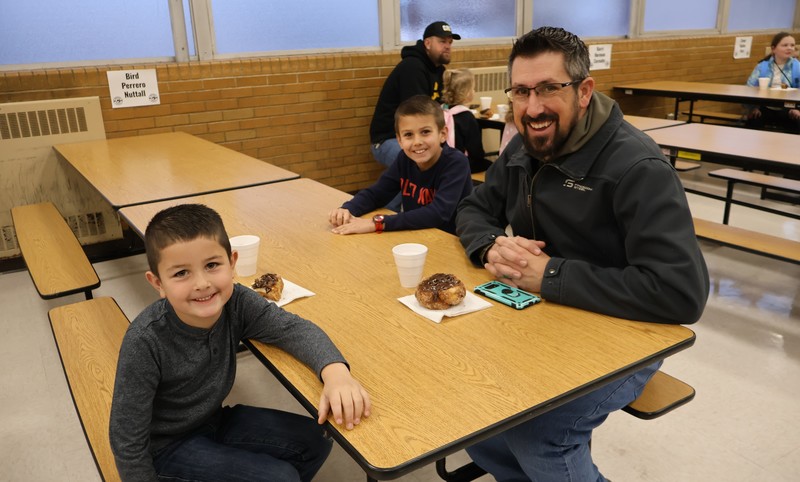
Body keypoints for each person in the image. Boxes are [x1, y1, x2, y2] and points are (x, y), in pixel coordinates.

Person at [455, 27, 709, 482]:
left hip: (628, 335)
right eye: (521, 92)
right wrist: (491, 244)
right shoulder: (523, 147)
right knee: (471, 405)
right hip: (543, 319)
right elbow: (474, 208)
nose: (533, 108)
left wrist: (549, 275)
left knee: (540, 434)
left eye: (549, 88)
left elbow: (681, 293)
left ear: (584, 91)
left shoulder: (638, 167)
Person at [109, 204, 371, 482]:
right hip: (165, 448)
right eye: (181, 273)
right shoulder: (145, 340)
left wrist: (336, 373)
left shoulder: (237, 302)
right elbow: (127, 440)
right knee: (279, 477)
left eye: (212, 265)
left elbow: (292, 328)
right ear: (158, 283)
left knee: (317, 439)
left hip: (213, 420)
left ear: (232, 263)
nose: (202, 283)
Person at [330, 95, 472, 235]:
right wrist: (347, 209)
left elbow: (438, 213)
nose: (417, 142)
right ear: (399, 140)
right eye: (408, 134)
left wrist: (377, 223)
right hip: (417, 235)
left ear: (443, 134)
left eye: (425, 132)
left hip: (451, 240)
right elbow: (376, 194)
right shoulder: (404, 159)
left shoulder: (456, 163)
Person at [369, 21, 461, 211]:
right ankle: (388, 216)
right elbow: (417, 116)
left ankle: (425, 213)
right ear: (427, 43)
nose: (447, 46)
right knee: (413, 162)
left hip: (414, 134)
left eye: (450, 42)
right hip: (387, 139)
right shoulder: (413, 67)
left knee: (437, 158)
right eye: (442, 41)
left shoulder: (438, 70)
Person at [745, 32, 800, 133]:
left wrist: (797, 109)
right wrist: (753, 108)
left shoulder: (798, 67)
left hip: (789, 108)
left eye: (792, 45)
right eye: (785, 45)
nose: (789, 48)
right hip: (764, 107)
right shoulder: (762, 66)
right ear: (773, 49)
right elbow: (749, 88)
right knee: (752, 123)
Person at [442, 68, 493, 173]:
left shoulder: (440, 112)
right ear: (467, 93)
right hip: (462, 164)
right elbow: (476, 151)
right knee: (493, 167)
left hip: (441, 162)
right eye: (473, 89)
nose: (474, 91)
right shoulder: (467, 117)